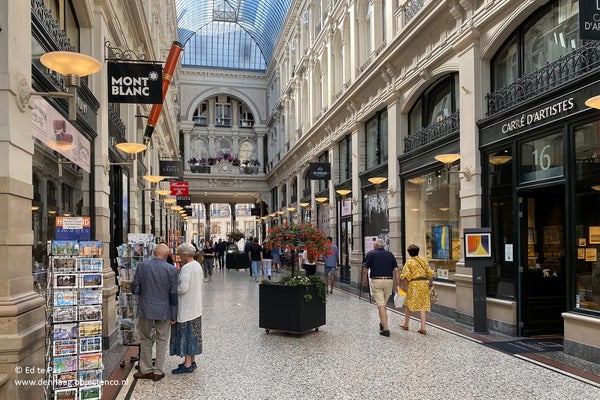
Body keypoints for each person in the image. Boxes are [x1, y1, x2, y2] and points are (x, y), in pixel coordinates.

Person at [130, 243, 179, 381]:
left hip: (145, 308)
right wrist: (174, 315)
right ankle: (158, 371)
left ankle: (145, 369)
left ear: (153, 253)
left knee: (145, 338)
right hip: (164, 310)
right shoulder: (172, 270)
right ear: (167, 255)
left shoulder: (142, 266)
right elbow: (173, 294)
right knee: (162, 339)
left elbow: (136, 290)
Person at [170, 243, 203, 374]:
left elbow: (183, 288)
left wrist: (172, 291)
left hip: (186, 307)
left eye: (180, 255)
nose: (179, 258)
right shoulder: (197, 265)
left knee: (186, 334)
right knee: (194, 334)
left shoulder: (186, 268)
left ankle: (187, 364)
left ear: (185, 254)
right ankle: (192, 361)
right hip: (196, 306)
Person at [361, 239, 399, 337]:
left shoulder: (371, 254)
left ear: (376, 246)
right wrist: (398, 284)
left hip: (377, 281)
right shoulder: (390, 255)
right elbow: (396, 270)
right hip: (389, 281)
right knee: (383, 304)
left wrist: (364, 280)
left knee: (381, 305)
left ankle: (386, 329)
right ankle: (382, 322)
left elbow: (365, 269)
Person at [399, 244, 435, 335]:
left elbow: (405, 276)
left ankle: (406, 324)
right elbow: (430, 273)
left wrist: (405, 288)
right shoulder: (424, 261)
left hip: (413, 285)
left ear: (409, 253)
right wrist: (431, 283)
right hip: (424, 284)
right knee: (422, 306)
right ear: (418, 251)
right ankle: (423, 327)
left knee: (409, 304)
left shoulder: (409, 262)